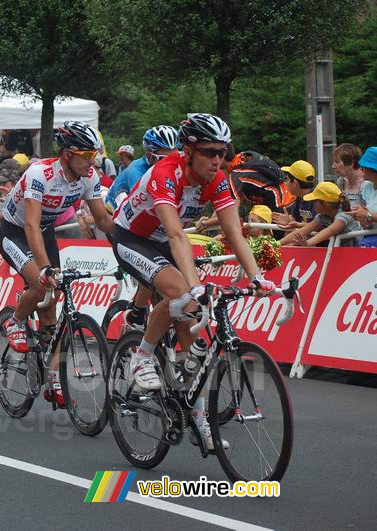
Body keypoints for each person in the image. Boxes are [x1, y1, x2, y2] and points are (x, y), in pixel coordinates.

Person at [111, 113, 275, 450]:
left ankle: (198, 415)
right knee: (183, 293)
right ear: (188, 150)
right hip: (133, 238)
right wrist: (195, 285)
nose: (218, 159)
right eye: (209, 152)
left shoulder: (217, 179)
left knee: (190, 329)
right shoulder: (166, 172)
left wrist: (257, 277)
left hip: (165, 242)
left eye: (222, 152)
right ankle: (142, 356)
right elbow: (175, 233)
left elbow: (234, 232)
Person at [0, 121, 113, 408]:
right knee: (40, 282)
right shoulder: (40, 174)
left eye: (94, 154)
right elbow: (31, 224)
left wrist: (124, 245)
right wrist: (45, 267)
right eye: (86, 155)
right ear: (66, 154)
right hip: (17, 231)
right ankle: (16, 321)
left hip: (44, 231)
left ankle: (54, 379)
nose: (93, 161)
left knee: (54, 306)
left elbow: (103, 220)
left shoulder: (89, 177)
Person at [106, 125, 180, 331]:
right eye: (165, 157)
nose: (172, 161)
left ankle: (148, 309)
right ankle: (137, 313)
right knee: (149, 268)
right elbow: (153, 205)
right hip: (118, 213)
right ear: (149, 154)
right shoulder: (136, 171)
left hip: (144, 218)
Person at [280, 181, 361, 247]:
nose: (312, 203)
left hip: (358, 255)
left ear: (325, 203)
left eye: (315, 200)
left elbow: (329, 231)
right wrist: (275, 244)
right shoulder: (322, 216)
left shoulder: (343, 216)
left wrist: (308, 243)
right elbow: (301, 232)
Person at [272, 160, 317, 229]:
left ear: (295, 183)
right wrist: (288, 220)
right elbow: (294, 217)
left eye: (287, 179)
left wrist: (297, 225)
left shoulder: (317, 200)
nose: (286, 183)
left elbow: (319, 225)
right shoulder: (300, 197)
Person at [332, 143, 364, 209]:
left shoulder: (366, 183)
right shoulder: (341, 181)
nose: (333, 166)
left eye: (337, 162)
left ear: (351, 164)